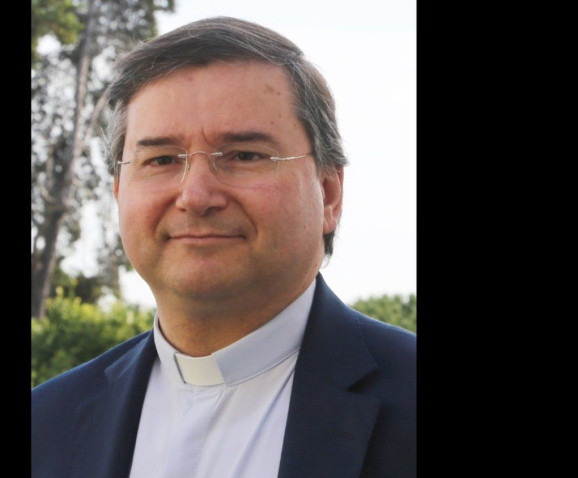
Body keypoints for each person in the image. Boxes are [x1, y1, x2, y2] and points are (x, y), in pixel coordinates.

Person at [31, 16, 416, 478]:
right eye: (162, 159)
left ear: (329, 193)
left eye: (244, 156)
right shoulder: (44, 424)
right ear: (118, 191)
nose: (195, 196)